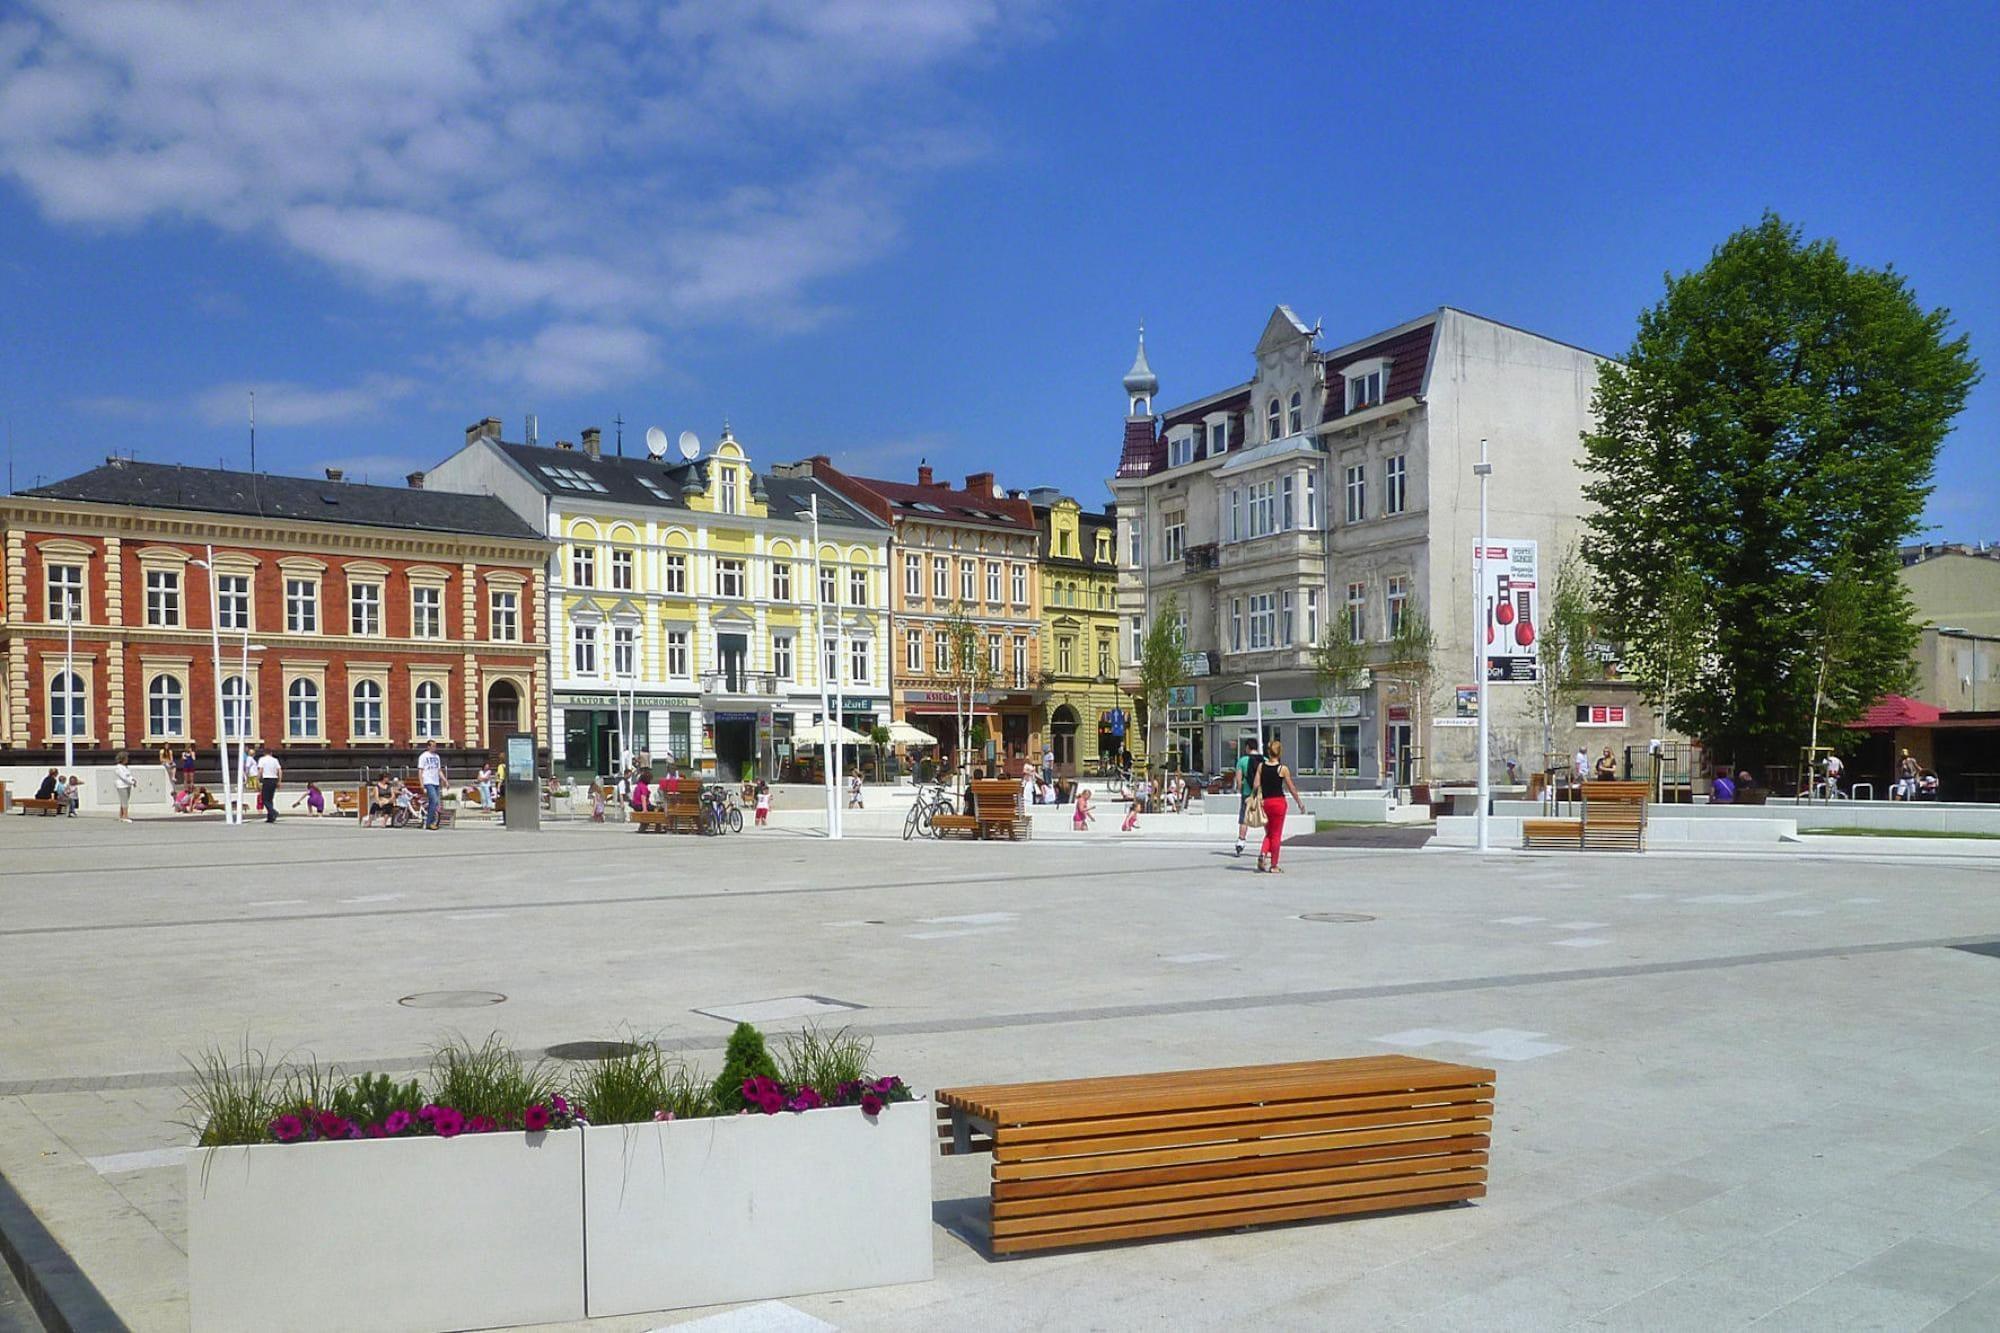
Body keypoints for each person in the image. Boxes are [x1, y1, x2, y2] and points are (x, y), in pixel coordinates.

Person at [1251, 739, 1307, 874]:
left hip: (1265, 803)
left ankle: (1263, 853)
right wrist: (1299, 802)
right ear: (1280, 752)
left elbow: (1256, 785)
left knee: (1269, 833)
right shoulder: (1283, 769)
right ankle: (1274, 865)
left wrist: (1254, 799)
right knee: (1276, 835)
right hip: (1279, 803)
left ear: (1268, 752)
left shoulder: (1261, 767)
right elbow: (1291, 788)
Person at [1234, 739, 1262, 856]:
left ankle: (1241, 842)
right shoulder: (1264, 760)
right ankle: (1269, 842)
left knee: (1244, 817)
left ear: (1247, 747)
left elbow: (1239, 780)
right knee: (1264, 816)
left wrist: (1240, 788)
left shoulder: (1242, 761)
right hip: (1261, 793)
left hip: (1247, 793)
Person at [418, 740, 445, 830]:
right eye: (433, 746)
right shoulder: (423, 756)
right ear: (428, 746)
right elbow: (420, 771)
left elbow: (439, 770)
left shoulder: (437, 757)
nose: (435, 748)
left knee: (435, 802)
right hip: (428, 781)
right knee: (434, 800)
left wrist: (445, 780)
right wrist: (422, 784)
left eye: (435, 746)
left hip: (436, 782)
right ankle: (429, 823)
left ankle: (431, 820)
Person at [255, 746, 282, 823]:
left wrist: (257, 779)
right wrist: (279, 781)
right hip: (274, 779)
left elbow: (260, 770)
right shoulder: (275, 760)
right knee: (270, 799)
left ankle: (273, 812)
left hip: (267, 779)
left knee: (264, 799)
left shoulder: (262, 759)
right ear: (271, 753)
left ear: (264, 753)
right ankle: (270, 817)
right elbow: (279, 771)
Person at [113, 750, 136, 823]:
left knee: (124, 801)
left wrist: (133, 779)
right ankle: (125, 816)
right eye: (126, 758)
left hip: (127, 785)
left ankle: (121, 815)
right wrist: (131, 782)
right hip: (122, 786)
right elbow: (123, 777)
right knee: (124, 801)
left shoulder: (125, 767)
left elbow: (128, 775)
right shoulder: (118, 767)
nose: (127, 759)